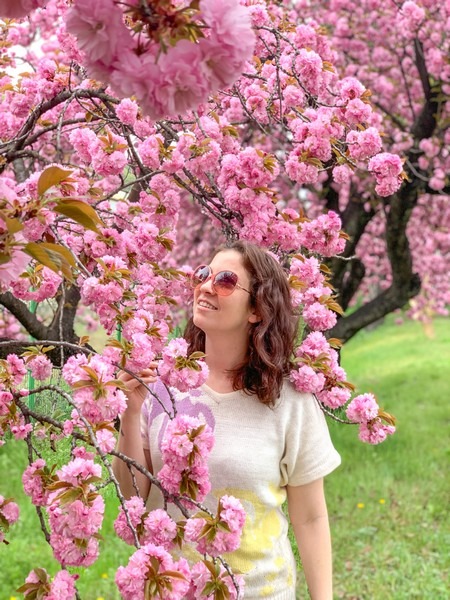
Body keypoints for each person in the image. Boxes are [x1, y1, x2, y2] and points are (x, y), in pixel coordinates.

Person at [113, 240, 341, 600]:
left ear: (256, 309)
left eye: (225, 280)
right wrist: (130, 412)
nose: (205, 285)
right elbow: (132, 498)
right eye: (203, 274)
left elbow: (310, 518)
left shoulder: (290, 400)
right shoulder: (162, 384)